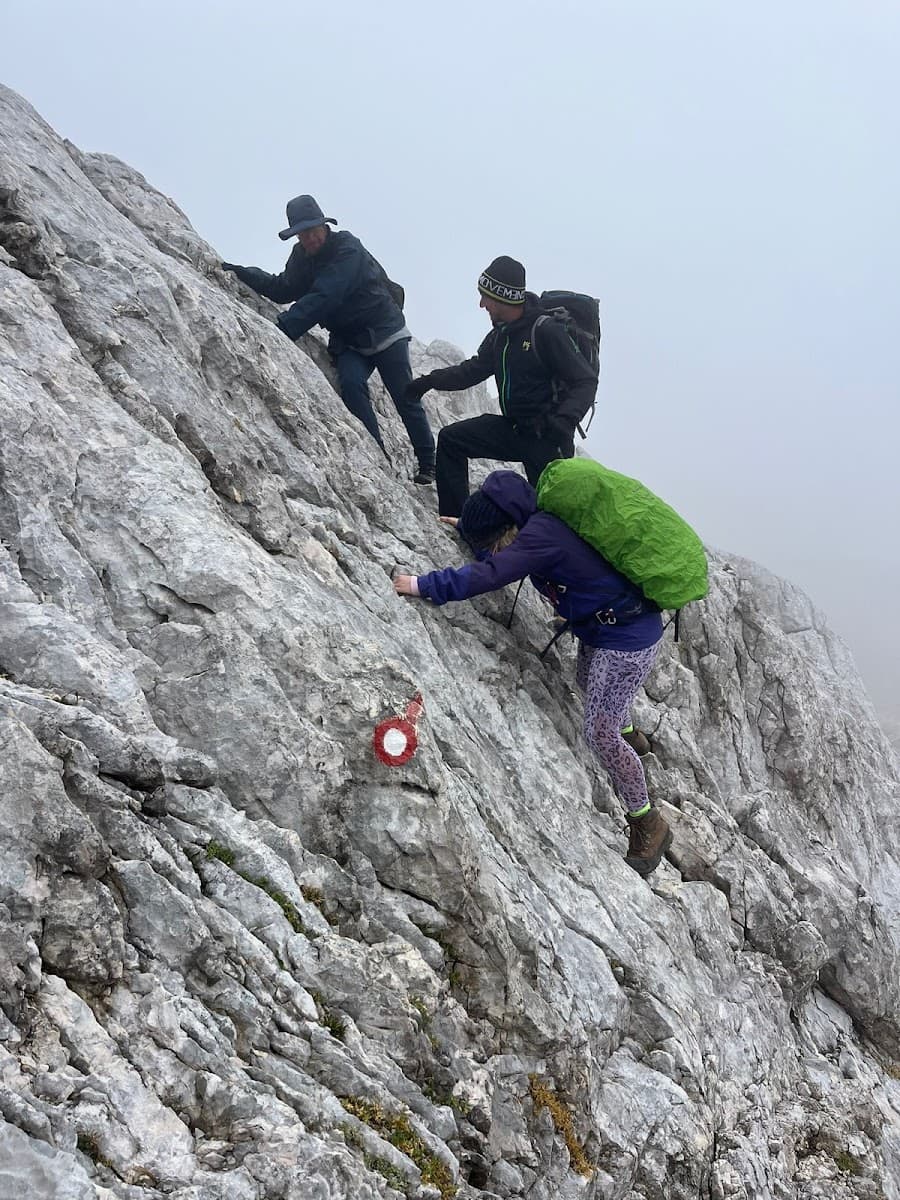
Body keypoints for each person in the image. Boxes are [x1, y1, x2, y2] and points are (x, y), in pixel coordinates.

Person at [393, 470, 671, 876]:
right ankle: (631, 732)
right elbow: (502, 558)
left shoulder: (541, 537)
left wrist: (422, 585)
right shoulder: (534, 529)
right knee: (588, 686)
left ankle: (647, 821)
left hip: (627, 637)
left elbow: (492, 574)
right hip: (605, 627)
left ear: (508, 525)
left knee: (599, 732)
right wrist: (470, 532)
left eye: (493, 539)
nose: (495, 549)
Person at [223, 195, 436, 484]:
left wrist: (284, 327)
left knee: (404, 395)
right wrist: (243, 273)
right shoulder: (302, 257)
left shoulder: (348, 248)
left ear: (325, 226)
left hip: (384, 329)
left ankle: (428, 464)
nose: (309, 238)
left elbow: (327, 293)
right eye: (302, 233)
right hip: (349, 340)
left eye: (313, 230)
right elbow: (284, 288)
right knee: (350, 384)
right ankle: (378, 457)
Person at [404, 257, 598, 516]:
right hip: (515, 429)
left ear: (503, 297)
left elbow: (584, 380)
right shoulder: (501, 335)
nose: (481, 304)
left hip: (547, 438)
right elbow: (472, 370)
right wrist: (429, 381)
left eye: (486, 297)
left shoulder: (545, 331)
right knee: (452, 440)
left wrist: (562, 422)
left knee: (551, 514)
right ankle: (460, 521)